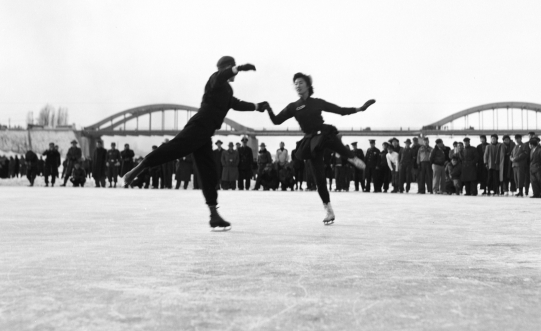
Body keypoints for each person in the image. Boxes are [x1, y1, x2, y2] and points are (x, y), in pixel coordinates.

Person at [121, 57, 267, 231]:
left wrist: (258, 106)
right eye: (231, 68)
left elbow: (238, 104)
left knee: (209, 173)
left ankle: (214, 215)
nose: (233, 71)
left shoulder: (227, 90)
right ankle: (134, 171)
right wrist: (240, 68)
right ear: (226, 68)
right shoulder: (215, 80)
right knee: (173, 149)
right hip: (198, 126)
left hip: (205, 134)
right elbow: (220, 77)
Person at [264, 72, 375, 224]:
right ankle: (328, 210)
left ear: (308, 85)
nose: (297, 85)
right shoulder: (293, 107)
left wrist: (360, 108)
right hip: (311, 142)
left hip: (323, 133)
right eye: (295, 83)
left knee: (332, 138)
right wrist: (268, 108)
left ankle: (351, 157)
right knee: (319, 179)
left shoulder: (317, 102)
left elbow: (340, 110)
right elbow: (276, 121)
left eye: (301, 82)